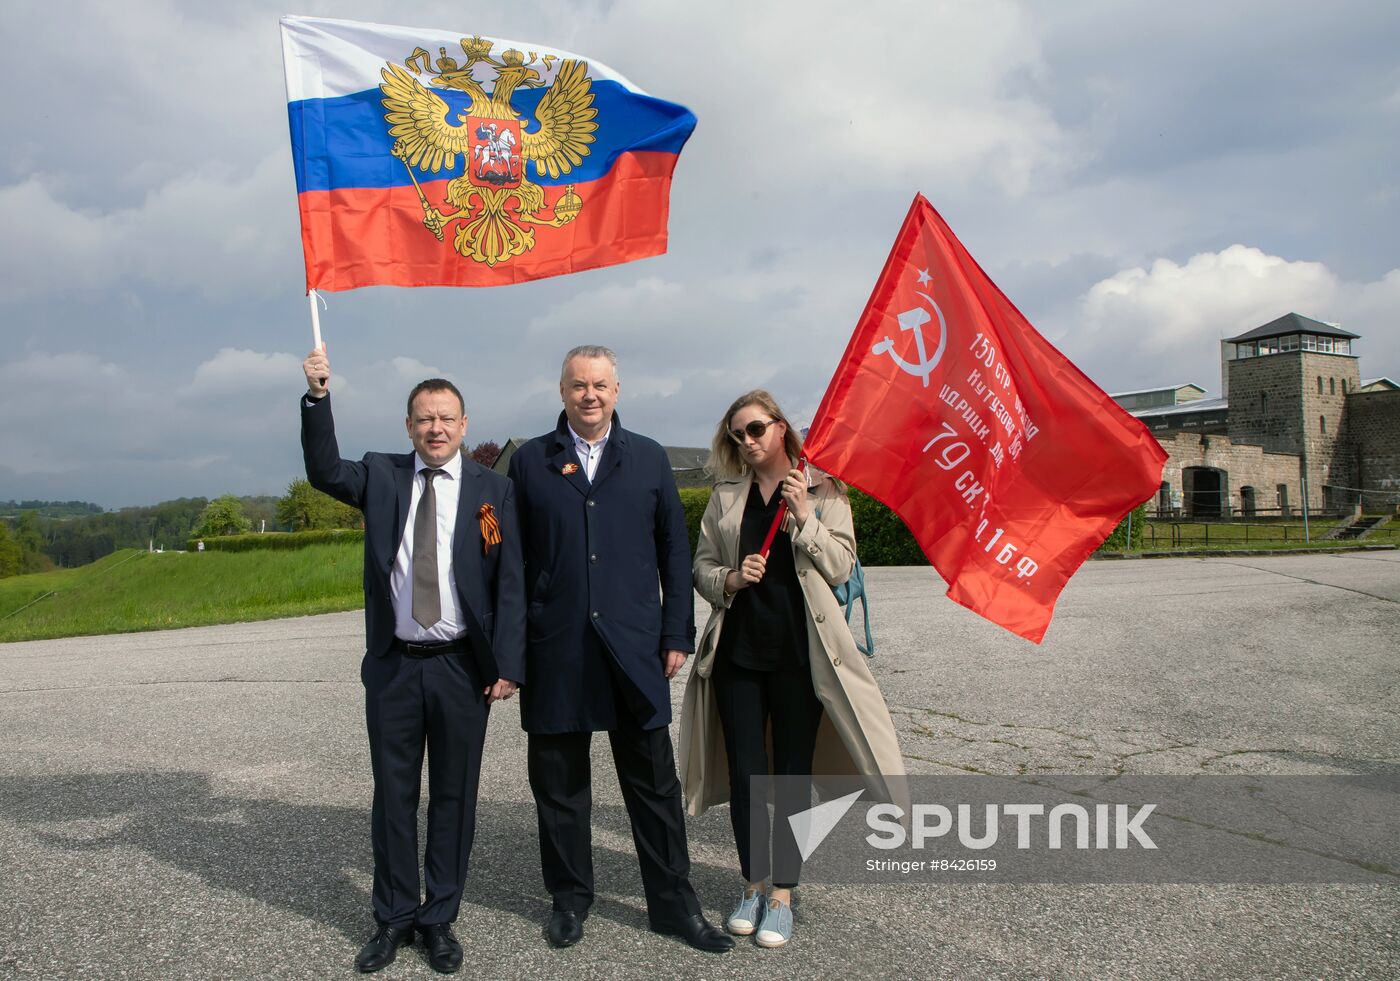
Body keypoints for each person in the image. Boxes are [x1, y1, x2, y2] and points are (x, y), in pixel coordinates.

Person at [300, 347, 525, 974]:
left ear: (464, 424)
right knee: (394, 796)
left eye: (446, 418)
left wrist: (507, 663)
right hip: (395, 666)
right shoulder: (382, 475)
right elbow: (323, 471)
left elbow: (510, 583)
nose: (436, 428)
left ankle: (439, 920)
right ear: (408, 427)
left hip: (462, 668)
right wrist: (319, 397)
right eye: (424, 418)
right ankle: (394, 918)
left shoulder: (493, 490)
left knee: (454, 797)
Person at [506, 345, 733, 954]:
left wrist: (675, 633)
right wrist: (510, 651)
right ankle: (570, 899)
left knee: (653, 785)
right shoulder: (530, 462)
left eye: (600, 385)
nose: (589, 395)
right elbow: (510, 564)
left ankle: (672, 905)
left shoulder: (650, 458)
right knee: (559, 787)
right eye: (578, 385)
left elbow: (674, 554)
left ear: (617, 390)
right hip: (556, 650)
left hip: (634, 650)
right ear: (561, 392)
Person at [680, 389, 905, 948]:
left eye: (755, 429)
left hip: (802, 661)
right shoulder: (726, 496)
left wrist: (804, 515)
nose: (747, 442)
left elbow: (841, 566)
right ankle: (752, 887)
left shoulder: (824, 490)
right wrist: (728, 580)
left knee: (792, 777)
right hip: (737, 657)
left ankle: (783, 894)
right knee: (749, 778)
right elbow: (701, 565)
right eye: (737, 434)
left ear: (781, 428)